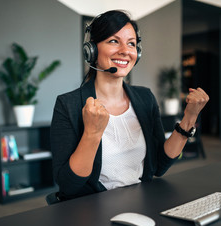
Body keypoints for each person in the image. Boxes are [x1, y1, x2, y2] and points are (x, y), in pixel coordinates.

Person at [50, 10, 209, 201]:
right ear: (91, 50)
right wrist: (91, 133)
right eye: (114, 41)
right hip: (92, 211)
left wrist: (190, 117)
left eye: (131, 43)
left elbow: (160, 166)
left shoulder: (145, 98)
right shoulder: (68, 104)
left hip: (142, 202)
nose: (125, 50)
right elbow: (69, 186)